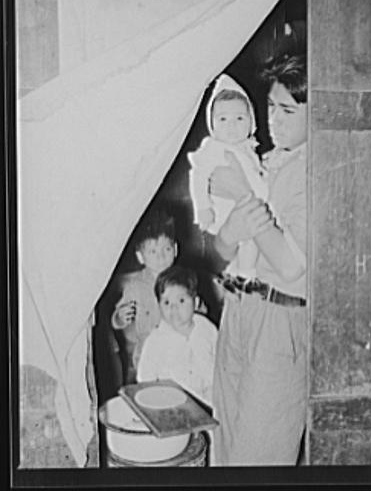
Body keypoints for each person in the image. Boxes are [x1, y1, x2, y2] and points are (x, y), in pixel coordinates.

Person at [209, 53, 308, 466]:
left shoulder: (315, 167)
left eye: (287, 110)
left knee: (259, 458)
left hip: (279, 323)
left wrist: (244, 197)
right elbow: (222, 248)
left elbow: (290, 267)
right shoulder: (265, 160)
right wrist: (230, 232)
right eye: (270, 107)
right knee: (226, 442)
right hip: (240, 309)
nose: (275, 120)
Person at [187, 74, 267, 280]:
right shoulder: (213, 148)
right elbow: (198, 175)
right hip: (224, 209)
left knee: (249, 242)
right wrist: (202, 207)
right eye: (223, 119)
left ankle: (237, 271)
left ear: (252, 121)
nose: (231, 125)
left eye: (239, 118)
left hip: (246, 205)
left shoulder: (248, 149)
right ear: (212, 124)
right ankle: (246, 275)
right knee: (251, 239)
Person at [111, 208, 178, 384]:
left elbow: (201, 311)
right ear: (141, 256)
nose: (161, 257)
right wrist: (120, 317)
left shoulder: (183, 279)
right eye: (153, 252)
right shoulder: (135, 286)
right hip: (145, 355)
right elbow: (116, 318)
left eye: (167, 249)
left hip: (178, 352)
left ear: (176, 249)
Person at [137, 265, 218, 407]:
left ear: (196, 302)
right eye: (167, 302)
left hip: (210, 401)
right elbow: (145, 379)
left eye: (181, 301)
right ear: (158, 305)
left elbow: (221, 360)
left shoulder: (207, 328)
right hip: (172, 405)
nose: (173, 308)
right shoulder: (156, 340)